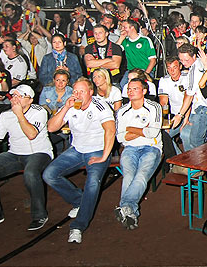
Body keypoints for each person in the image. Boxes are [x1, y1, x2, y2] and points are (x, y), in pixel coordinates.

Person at [43, 78, 116, 244]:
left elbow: (110, 130)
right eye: (75, 91)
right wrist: (65, 108)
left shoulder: (100, 106)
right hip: (77, 150)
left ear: (90, 92)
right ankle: (79, 201)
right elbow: (51, 127)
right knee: (49, 174)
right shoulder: (72, 105)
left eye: (81, 91)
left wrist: (104, 156)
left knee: (92, 184)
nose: (77, 95)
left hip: (97, 150)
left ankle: (78, 226)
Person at [0, 85, 52, 233]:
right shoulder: (6, 115)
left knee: (30, 173)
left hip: (39, 152)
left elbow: (31, 134)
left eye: (19, 96)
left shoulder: (39, 111)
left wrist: (19, 115)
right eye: (13, 96)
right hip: (15, 153)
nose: (14, 99)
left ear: (30, 100)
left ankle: (39, 215)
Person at [114, 78, 163, 230]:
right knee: (128, 176)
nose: (130, 91)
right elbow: (120, 138)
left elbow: (153, 133)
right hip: (130, 148)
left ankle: (125, 206)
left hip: (151, 147)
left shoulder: (154, 107)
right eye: (129, 89)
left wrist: (130, 129)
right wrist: (142, 130)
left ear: (144, 91)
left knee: (141, 176)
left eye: (135, 88)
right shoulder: (122, 111)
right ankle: (130, 212)